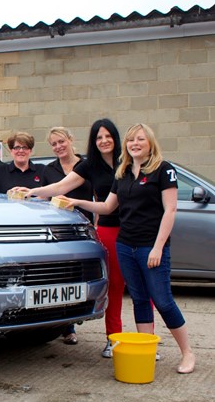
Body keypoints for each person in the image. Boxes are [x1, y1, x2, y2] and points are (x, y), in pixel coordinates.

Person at [60, 123, 195, 374]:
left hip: (150, 247)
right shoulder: (122, 173)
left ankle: (187, 353)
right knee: (140, 299)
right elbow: (108, 208)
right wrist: (77, 202)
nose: (135, 144)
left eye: (140, 140)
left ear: (150, 143)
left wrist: (158, 247)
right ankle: (147, 350)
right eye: (131, 140)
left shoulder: (163, 170)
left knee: (163, 301)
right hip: (125, 246)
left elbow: (171, 210)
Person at [24, 119, 125, 358]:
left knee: (145, 290)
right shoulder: (90, 166)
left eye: (107, 136)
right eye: (99, 137)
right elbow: (59, 187)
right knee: (116, 288)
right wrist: (31, 191)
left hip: (135, 230)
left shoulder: (127, 162)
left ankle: (146, 339)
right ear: (93, 141)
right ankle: (114, 340)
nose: (104, 141)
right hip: (109, 229)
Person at [40, 127, 94, 345]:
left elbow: (98, 195)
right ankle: (67, 327)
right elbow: (45, 199)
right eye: (53, 144)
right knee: (63, 276)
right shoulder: (49, 170)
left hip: (84, 229)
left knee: (81, 277)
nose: (58, 147)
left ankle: (81, 314)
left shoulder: (87, 166)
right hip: (59, 232)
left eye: (61, 141)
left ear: (71, 140)